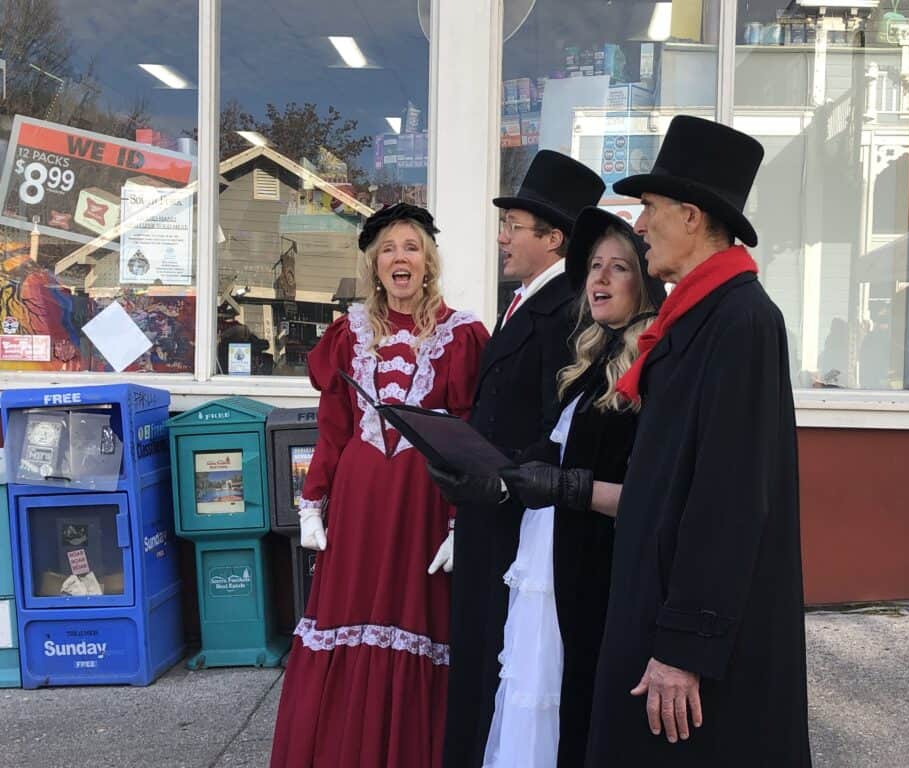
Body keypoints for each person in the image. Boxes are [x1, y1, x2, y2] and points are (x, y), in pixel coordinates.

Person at [585, 115, 812, 767]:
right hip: (657, 613)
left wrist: (683, 646)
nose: (638, 225)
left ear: (689, 216)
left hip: (694, 645)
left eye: (648, 208)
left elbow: (729, 500)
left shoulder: (741, 322)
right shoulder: (699, 316)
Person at [270, 203, 489, 768]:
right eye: (389, 249)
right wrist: (313, 503)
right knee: (346, 623)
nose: (400, 257)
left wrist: (462, 519)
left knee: (417, 624)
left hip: (424, 510)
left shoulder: (462, 335)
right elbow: (333, 426)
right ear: (374, 264)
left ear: (428, 261)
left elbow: (470, 434)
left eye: (411, 247)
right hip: (360, 507)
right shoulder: (350, 333)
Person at [440, 150, 605, 768]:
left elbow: (552, 427)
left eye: (515, 225)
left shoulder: (565, 309)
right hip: (490, 510)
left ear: (554, 238)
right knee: (482, 658)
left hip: (518, 521)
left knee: (498, 660)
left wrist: (490, 477)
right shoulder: (523, 302)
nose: (503, 237)